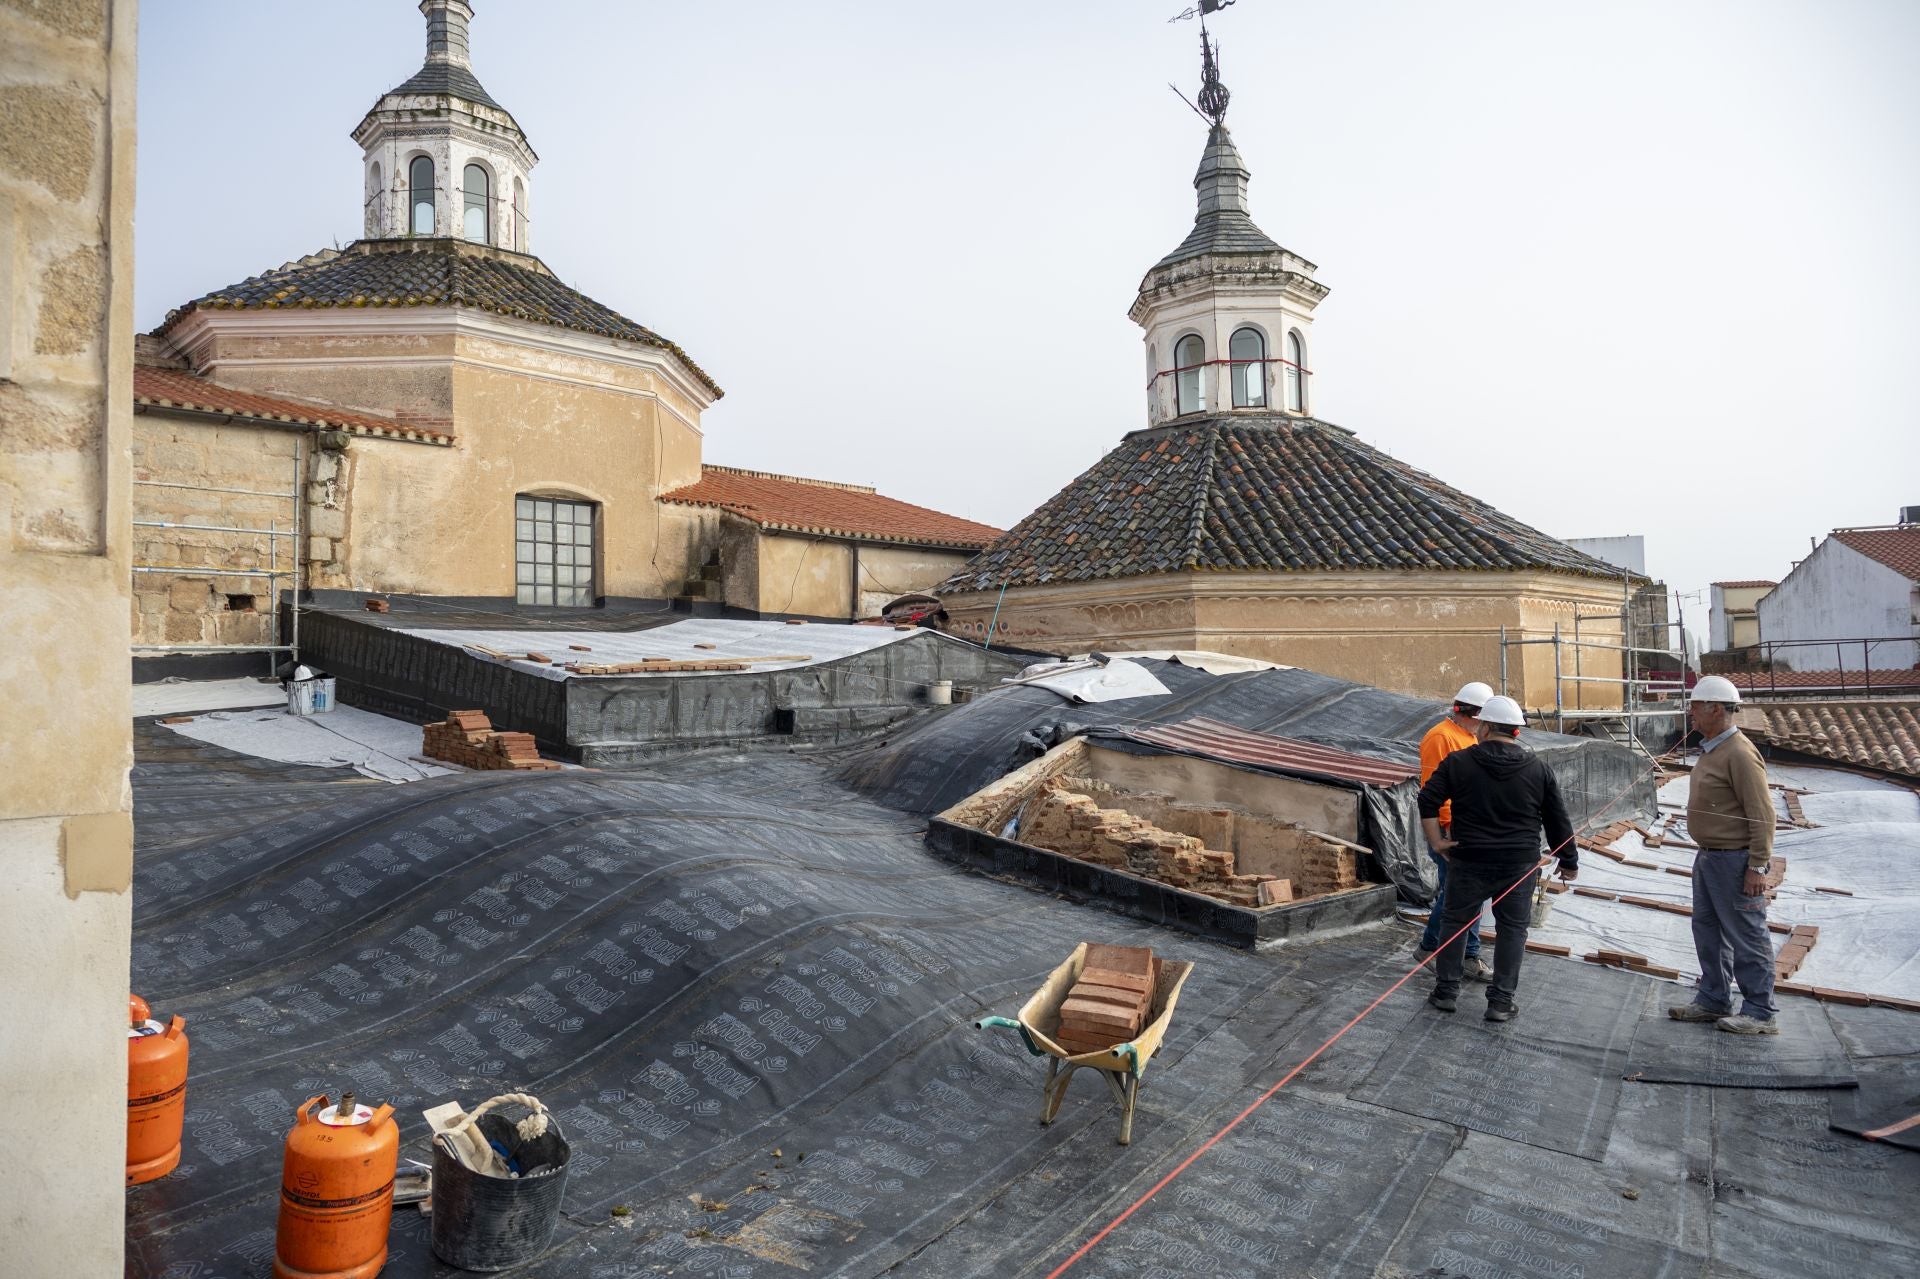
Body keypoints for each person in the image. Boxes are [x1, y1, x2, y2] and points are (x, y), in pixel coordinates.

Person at [1417, 695, 1577, 1022]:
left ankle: (1446, 992)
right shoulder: (1538, 769)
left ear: (1486, 727)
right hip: (1518, 865)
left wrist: (1437, 841)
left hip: (1468, 859)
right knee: (1513, 930)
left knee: (1456, 923)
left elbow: (1427, 800)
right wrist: (1569, 860)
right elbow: (1557, 818)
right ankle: (1501, 1003)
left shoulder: (1459, 762)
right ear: (1516, 732)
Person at [1667, 675, 1778, 1035]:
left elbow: (1763, 814)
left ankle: (1759, 1012)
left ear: (1716, 708)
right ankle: (1714, 999)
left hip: (1735, 861)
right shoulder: (1715, 749)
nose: (1691, 714)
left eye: (1696, 707)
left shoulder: (1741, 754)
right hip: (1710, 858)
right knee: (1709, 931)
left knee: (1747, 936)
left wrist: (1758, 866)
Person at [1415, 681, 1495, 982]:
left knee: (1466, 893)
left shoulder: (1468, 738)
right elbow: (1434, 793)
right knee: (1459, 895)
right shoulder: (1441, 737)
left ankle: (1465, 953)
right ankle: (1437, 948)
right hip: (1450, 829)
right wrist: (1445, 831)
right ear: (1474, 713)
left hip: (1466, 827)